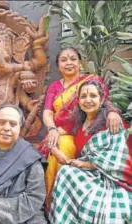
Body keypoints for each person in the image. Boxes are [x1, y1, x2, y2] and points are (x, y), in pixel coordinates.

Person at [38, 47, 122, 211]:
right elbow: (48, 112)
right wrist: (52, 129)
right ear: (58, 65)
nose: (68, 63)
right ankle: (51, 203)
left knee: (65, 145)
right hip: (59, 131)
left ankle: (67, 203)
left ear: (80, 62)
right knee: (62, 145)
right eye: (64, 60)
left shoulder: (91, 80)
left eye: (72, 58)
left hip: (85, 130)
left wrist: (112, 112)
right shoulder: (54, 86)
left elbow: (104, 102)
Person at [49, 79, 132, 224]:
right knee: (65, 172)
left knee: (100, 209)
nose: (88, 100)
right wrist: (54, 149)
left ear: (102, 100)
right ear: (78, 101)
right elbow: (51, 137)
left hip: (111, 178)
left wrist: (88, 164)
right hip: (88, 175)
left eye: (93, 96)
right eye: (83, 96)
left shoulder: (112, 121)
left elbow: (120, 155)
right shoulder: (77, 122)